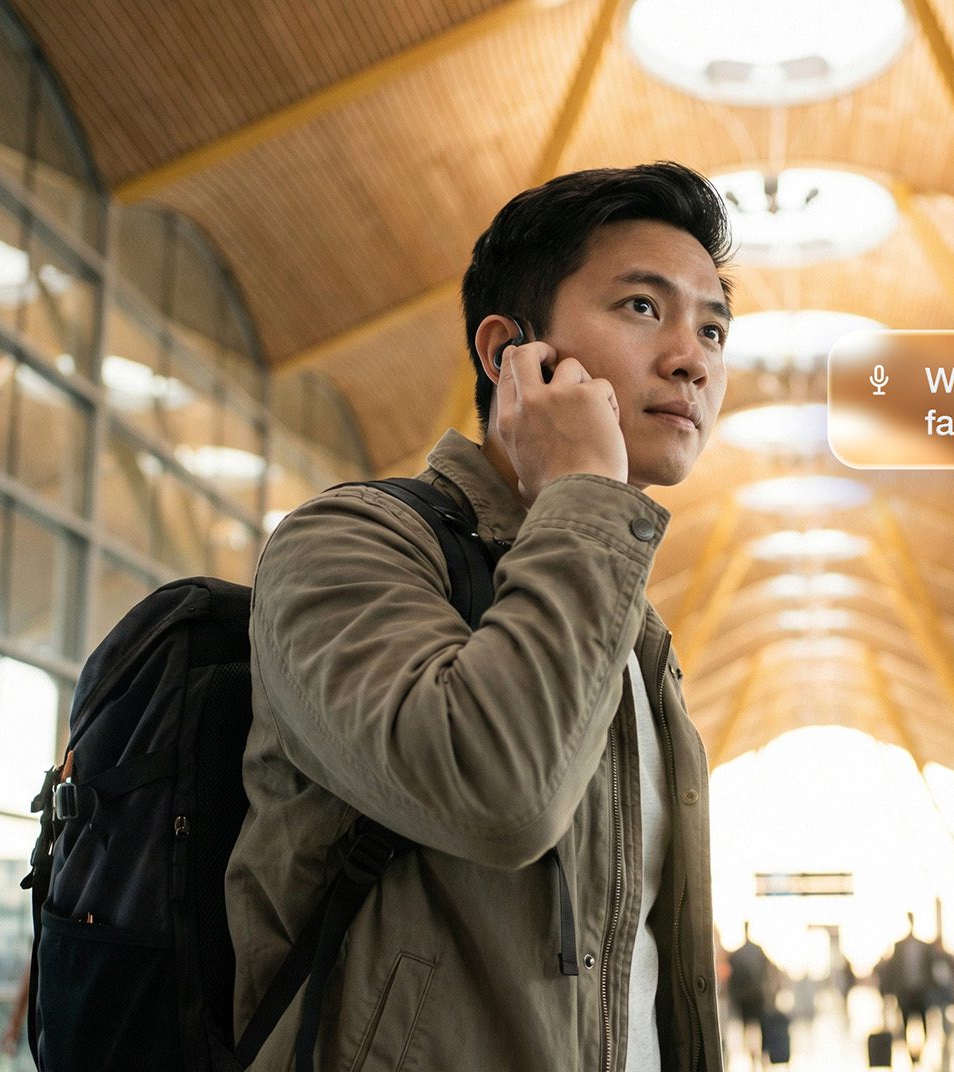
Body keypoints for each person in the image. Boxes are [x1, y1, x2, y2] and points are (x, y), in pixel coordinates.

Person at [225, 162, 735, 1071]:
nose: (693, 357)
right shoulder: (348, 544)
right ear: (512, 352)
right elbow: (502, 795)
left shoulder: (633, 629)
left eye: (713, 325)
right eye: (643, 309)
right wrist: (582, 487)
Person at [880, 915, 941, 1065]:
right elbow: (893, 970)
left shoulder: (924, 946)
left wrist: (934, 990)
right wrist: (888, 993)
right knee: (906, 1023)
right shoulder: (899, 946)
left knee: (925, 1023)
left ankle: (920, 1052)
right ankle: (911, 1056)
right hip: (905, 992)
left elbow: (931, 970)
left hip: (921, 991)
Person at [727, 923, 779, 1067]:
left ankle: (752, 1057)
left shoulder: (737, 954)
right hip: (757, 995)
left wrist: (733, 997)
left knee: (747, 1027)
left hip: (743, 997)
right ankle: (761, 1056)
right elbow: (768, 971)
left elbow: (732, 979)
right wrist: (771, 993)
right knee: (762, 1026)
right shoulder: (757, 951)